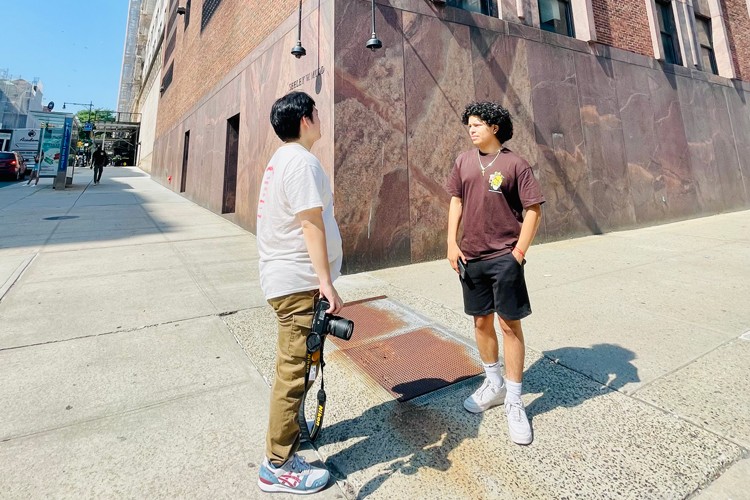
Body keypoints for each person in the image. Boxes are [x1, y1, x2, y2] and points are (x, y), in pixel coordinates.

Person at [256, 91, 343, 494]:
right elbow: (311, 224)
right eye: (317, 112)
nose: (321, 118)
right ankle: (277, 465)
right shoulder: (302, 163)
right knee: (293, 373)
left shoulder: (280, 161)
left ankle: (290, 431)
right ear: (306, 119)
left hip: (287, 281)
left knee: (300, 366)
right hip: (297, 283)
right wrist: (325, 282)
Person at [445, 101, 545, 446]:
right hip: (470, 257)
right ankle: (495, 384)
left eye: (477, 124)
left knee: (509, 324)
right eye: (469, 125)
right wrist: (450, 243)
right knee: (480, 321)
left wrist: (518, 254)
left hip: (505, 255)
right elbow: (456, 201)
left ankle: (515, 402)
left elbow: (533, 210)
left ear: (495, 128)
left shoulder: (515, 164)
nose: (471, 130)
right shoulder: (463, 161)